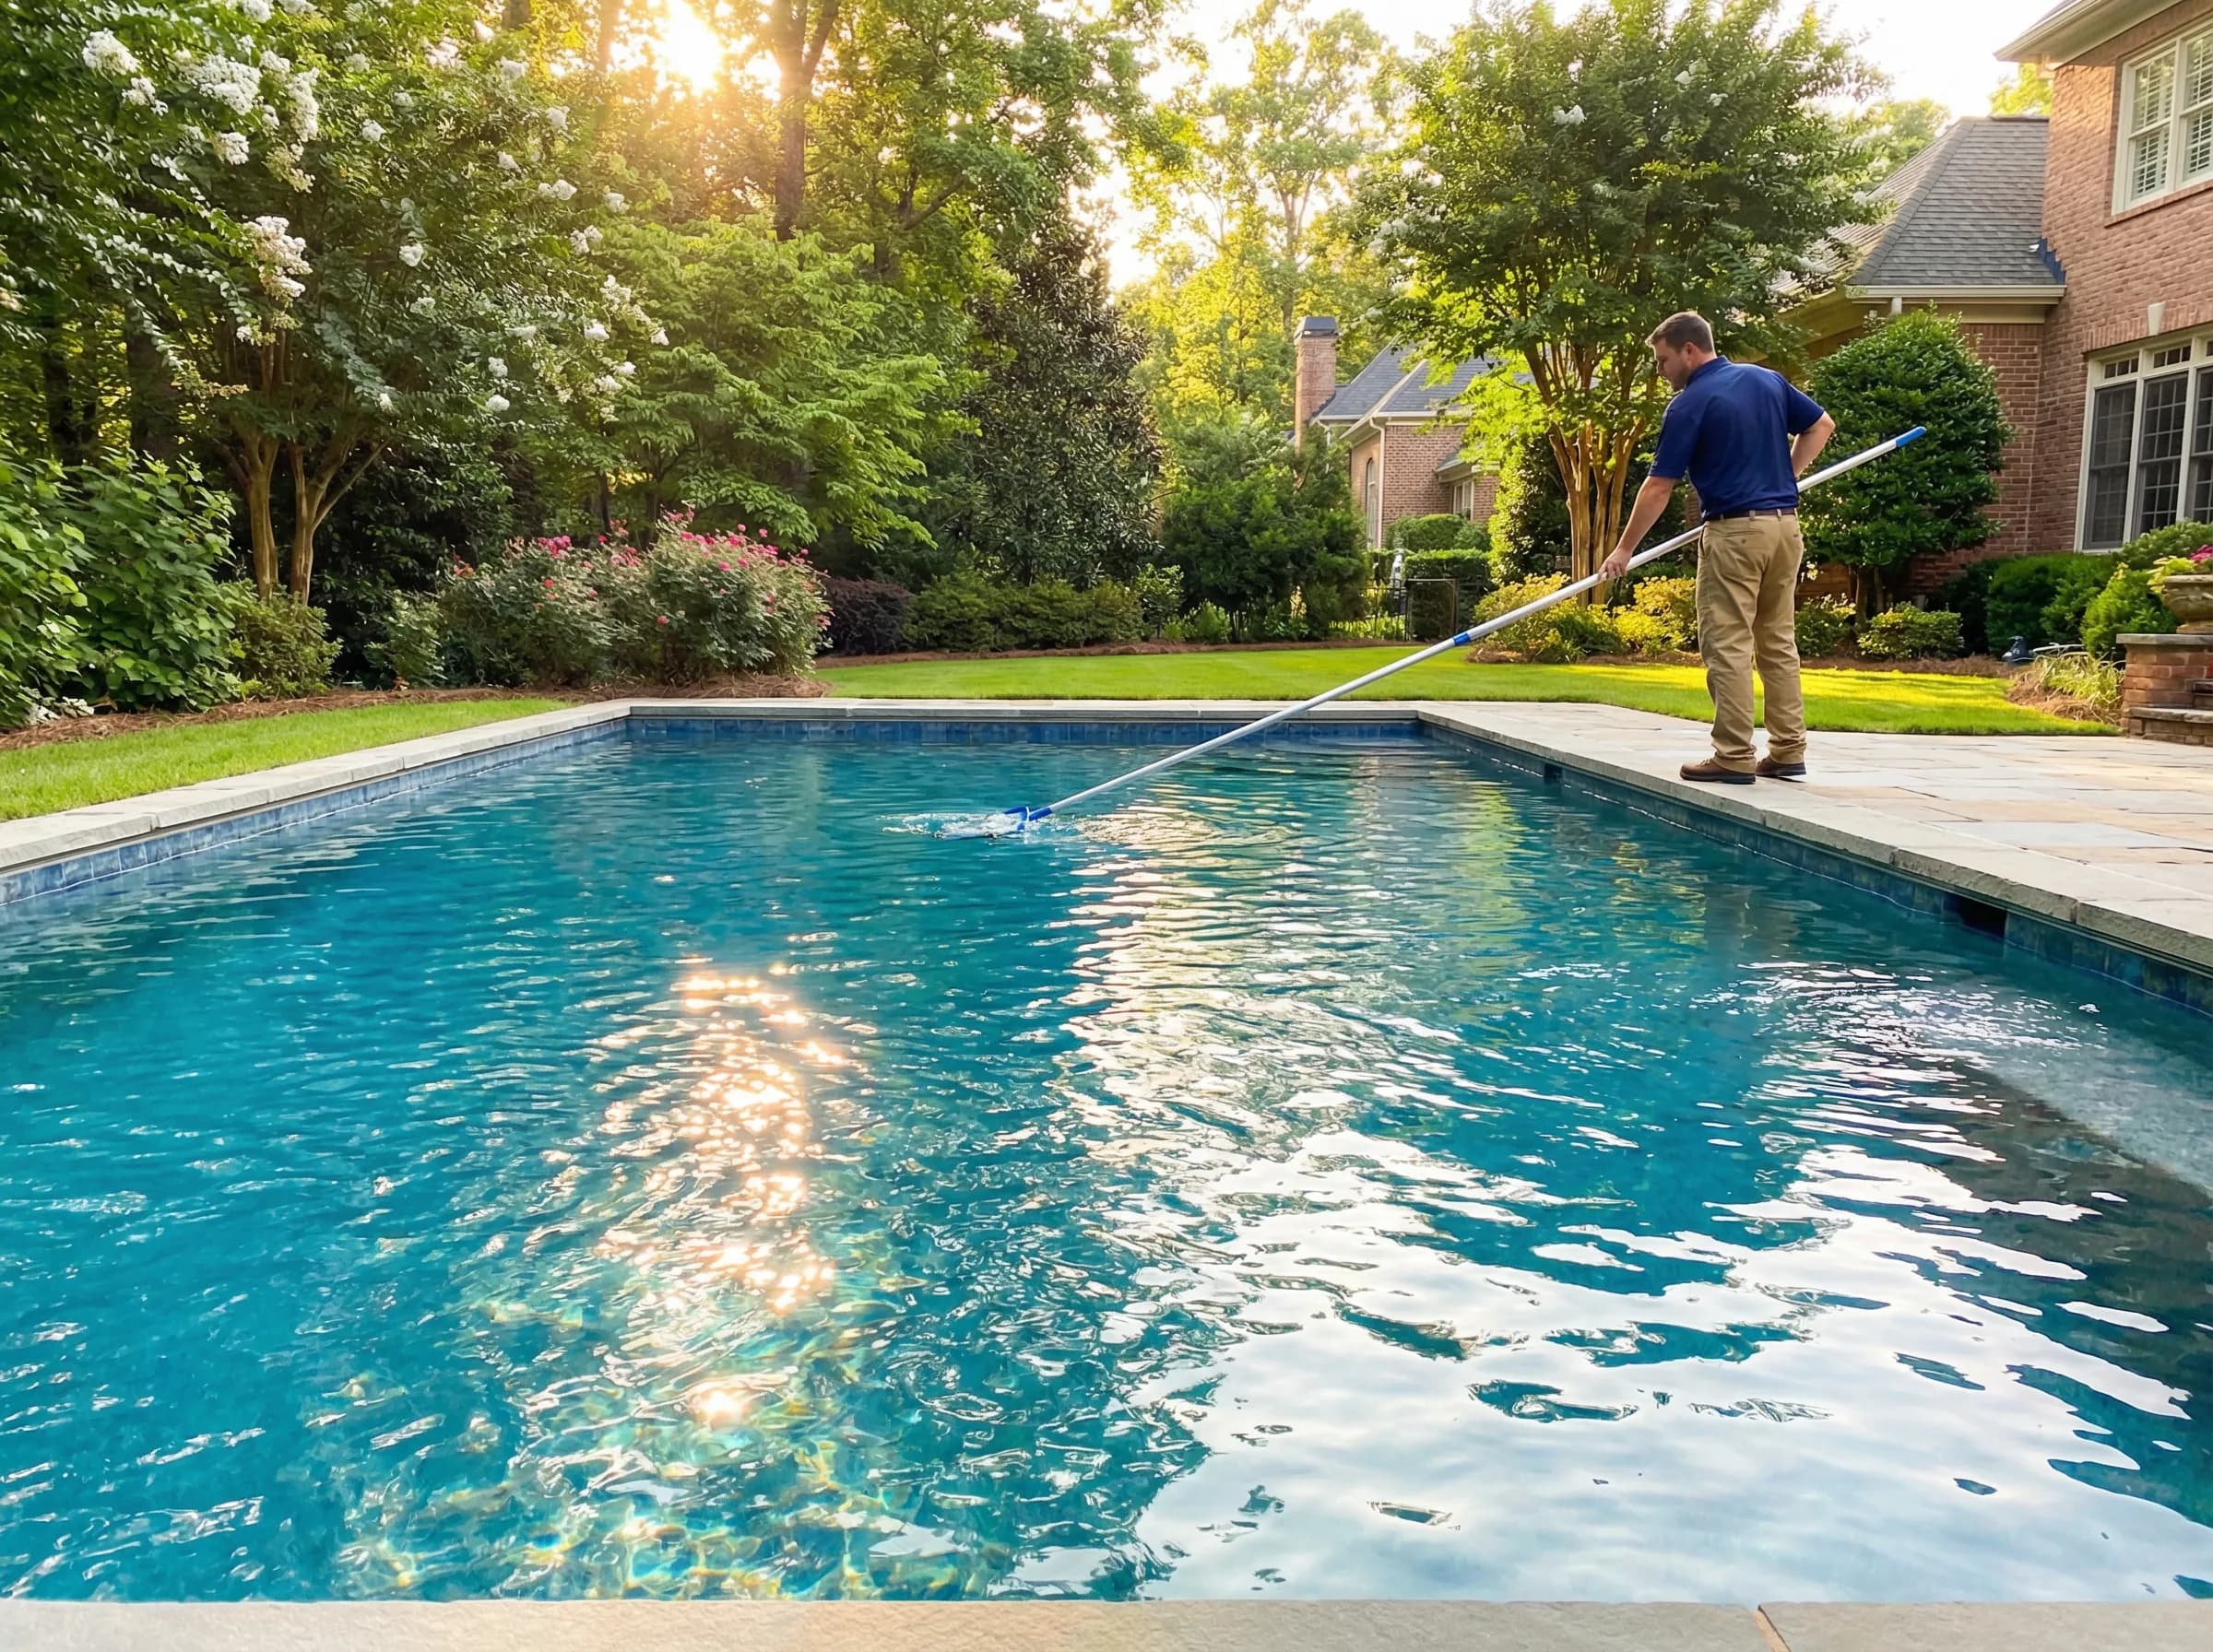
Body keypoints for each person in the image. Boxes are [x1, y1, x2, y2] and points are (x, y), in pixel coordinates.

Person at [1600, 312, 1834, 784]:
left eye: (1663, 361)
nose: (1660, 371)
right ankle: (1788, 750)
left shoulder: (1691, 403)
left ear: (1689, 350)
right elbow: (1821, 425)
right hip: (1785, 528)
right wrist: (1787, 478)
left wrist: (1623, 550)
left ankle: (1732, 755)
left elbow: (1658, 487)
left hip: (1734, 534)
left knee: (1727, 644)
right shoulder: (1766, 380)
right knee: (1777, 643)